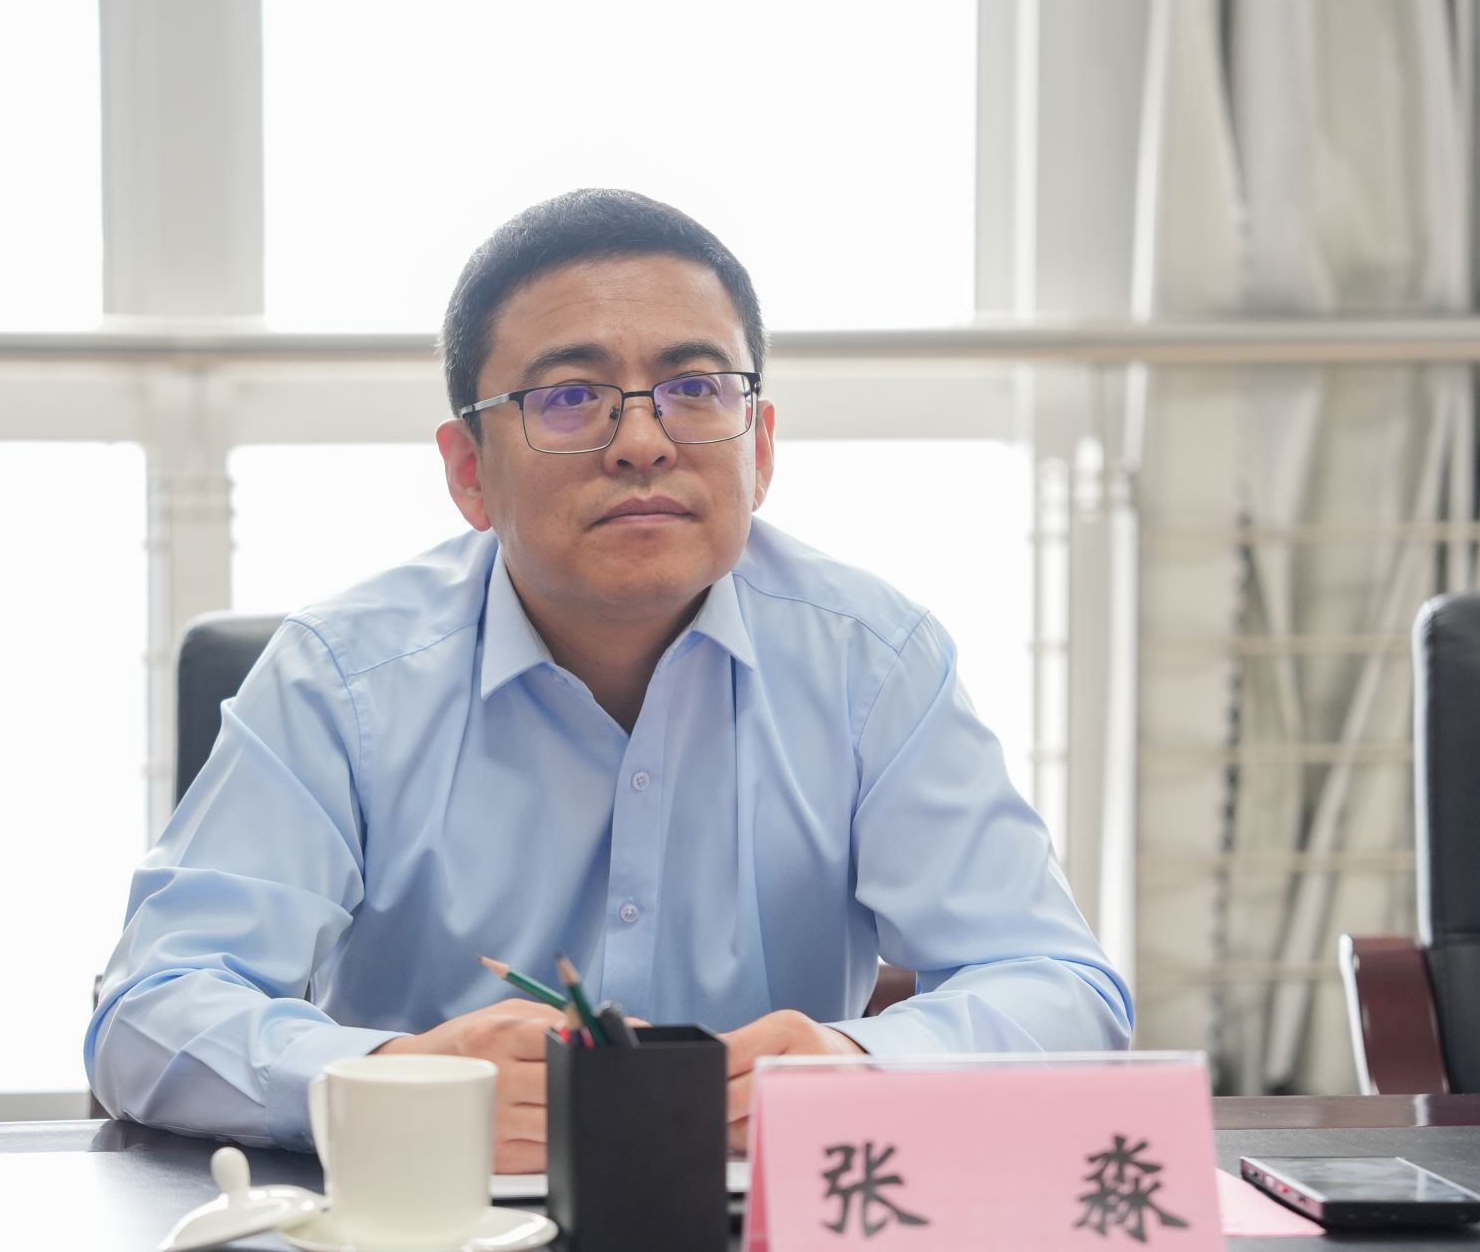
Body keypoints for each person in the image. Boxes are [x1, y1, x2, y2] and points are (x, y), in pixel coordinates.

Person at [86, 189, 1131, 1172]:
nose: (641, 442)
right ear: (468, 471)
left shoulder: (874, 660)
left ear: (761, 448)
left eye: (695, 389)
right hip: (432, 1237)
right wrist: (390, 1083)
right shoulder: (340, 678)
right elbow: (149, 1009)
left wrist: (858, 1069)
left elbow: (1061, 987)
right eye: (570, 397)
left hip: (764, 1246)